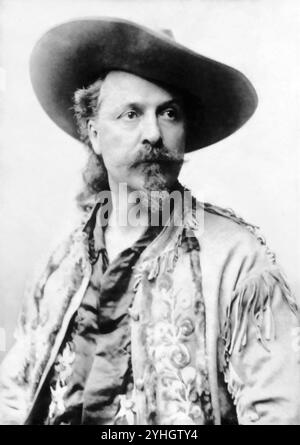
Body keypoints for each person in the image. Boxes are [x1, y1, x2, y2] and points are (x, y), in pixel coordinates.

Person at [0, 17, 299, 426]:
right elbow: (13, 397)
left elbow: (279, 414)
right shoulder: (62, 263)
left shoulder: (236, 262)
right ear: (93, 132)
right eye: (131, 114)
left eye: (169, 113)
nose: (154, 134)